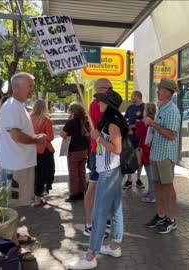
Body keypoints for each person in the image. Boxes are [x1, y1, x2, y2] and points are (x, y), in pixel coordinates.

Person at [67, 89, 127, 270]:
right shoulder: (112, 121)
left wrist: (99, 138)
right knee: (115, 209)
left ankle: (90, 255)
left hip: (109, 172)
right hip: (111, 171)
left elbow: (116, 149)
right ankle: (115, 246)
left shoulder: (113, 124)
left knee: (99, 214)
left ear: (109, 105)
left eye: (101, 101)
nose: (98, 104)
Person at [0, 72, 47, 260]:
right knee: (12, 205)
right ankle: (13, 246)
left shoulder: (17, 106)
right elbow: (16, 135)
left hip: (19, 164)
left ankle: (14, 236)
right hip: (14, 165)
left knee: (15, 205)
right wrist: (36, 139)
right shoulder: (11, 107)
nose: (32, 89)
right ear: (16, 87)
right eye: (30, 86)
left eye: (32, 86)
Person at [144, 79, 181, 234]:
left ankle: (171, 220)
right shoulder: (162, 108)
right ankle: (161, 215)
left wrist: (153, 125)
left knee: (167, 186)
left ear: (168, 91)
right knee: (158, 185)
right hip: (157, 153)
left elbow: (172, 135)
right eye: (158, 88)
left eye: (160, 89)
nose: (158, 91)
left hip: (165, 155)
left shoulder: (172, 110)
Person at [84, 78, 111, 237]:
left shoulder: (102, 104)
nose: (111, 90)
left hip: (104, 151)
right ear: (100, 88)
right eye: (109, 88)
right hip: (99, 151)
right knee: (94, 187)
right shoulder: (97, 105)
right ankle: (90, 224)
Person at [61, 103, 90, 202]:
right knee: (82, 172)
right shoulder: (85, 122)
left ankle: (74, 194)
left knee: (73, 174)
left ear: (72, 112)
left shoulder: (71, 122)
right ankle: (82, 192)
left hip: (73, 151)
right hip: (84, 151)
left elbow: (62, 134)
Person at [31, 99, 55, 206]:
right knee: (46, 173)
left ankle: (34, 196)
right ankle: (38, 198)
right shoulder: (46, 120)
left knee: (35, 173)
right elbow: (50, 137)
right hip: (44, 150)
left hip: (31, 150)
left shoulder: (28, 119)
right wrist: (43, 135)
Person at [123, 91, 145, 189]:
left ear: (137, 97)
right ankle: (129, 180)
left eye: (132, 96)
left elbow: (145, 121)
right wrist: (127, 127)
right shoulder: (130, 108)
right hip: (130, 138)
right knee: (129, 158)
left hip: (140, 137)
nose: (131, 98)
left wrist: (133, 126)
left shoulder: (144, 107)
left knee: (139, 159)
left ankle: (139, 179)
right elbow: (125, 119)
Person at [135, 103, 157, 203]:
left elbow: (138, 134)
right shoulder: (155, 120)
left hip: (145, 150)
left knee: (150, 174)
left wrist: (138, 124)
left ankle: (152, 196)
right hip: (151, 148)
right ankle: (150, 192)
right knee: (150, 173)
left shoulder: (144, 121)